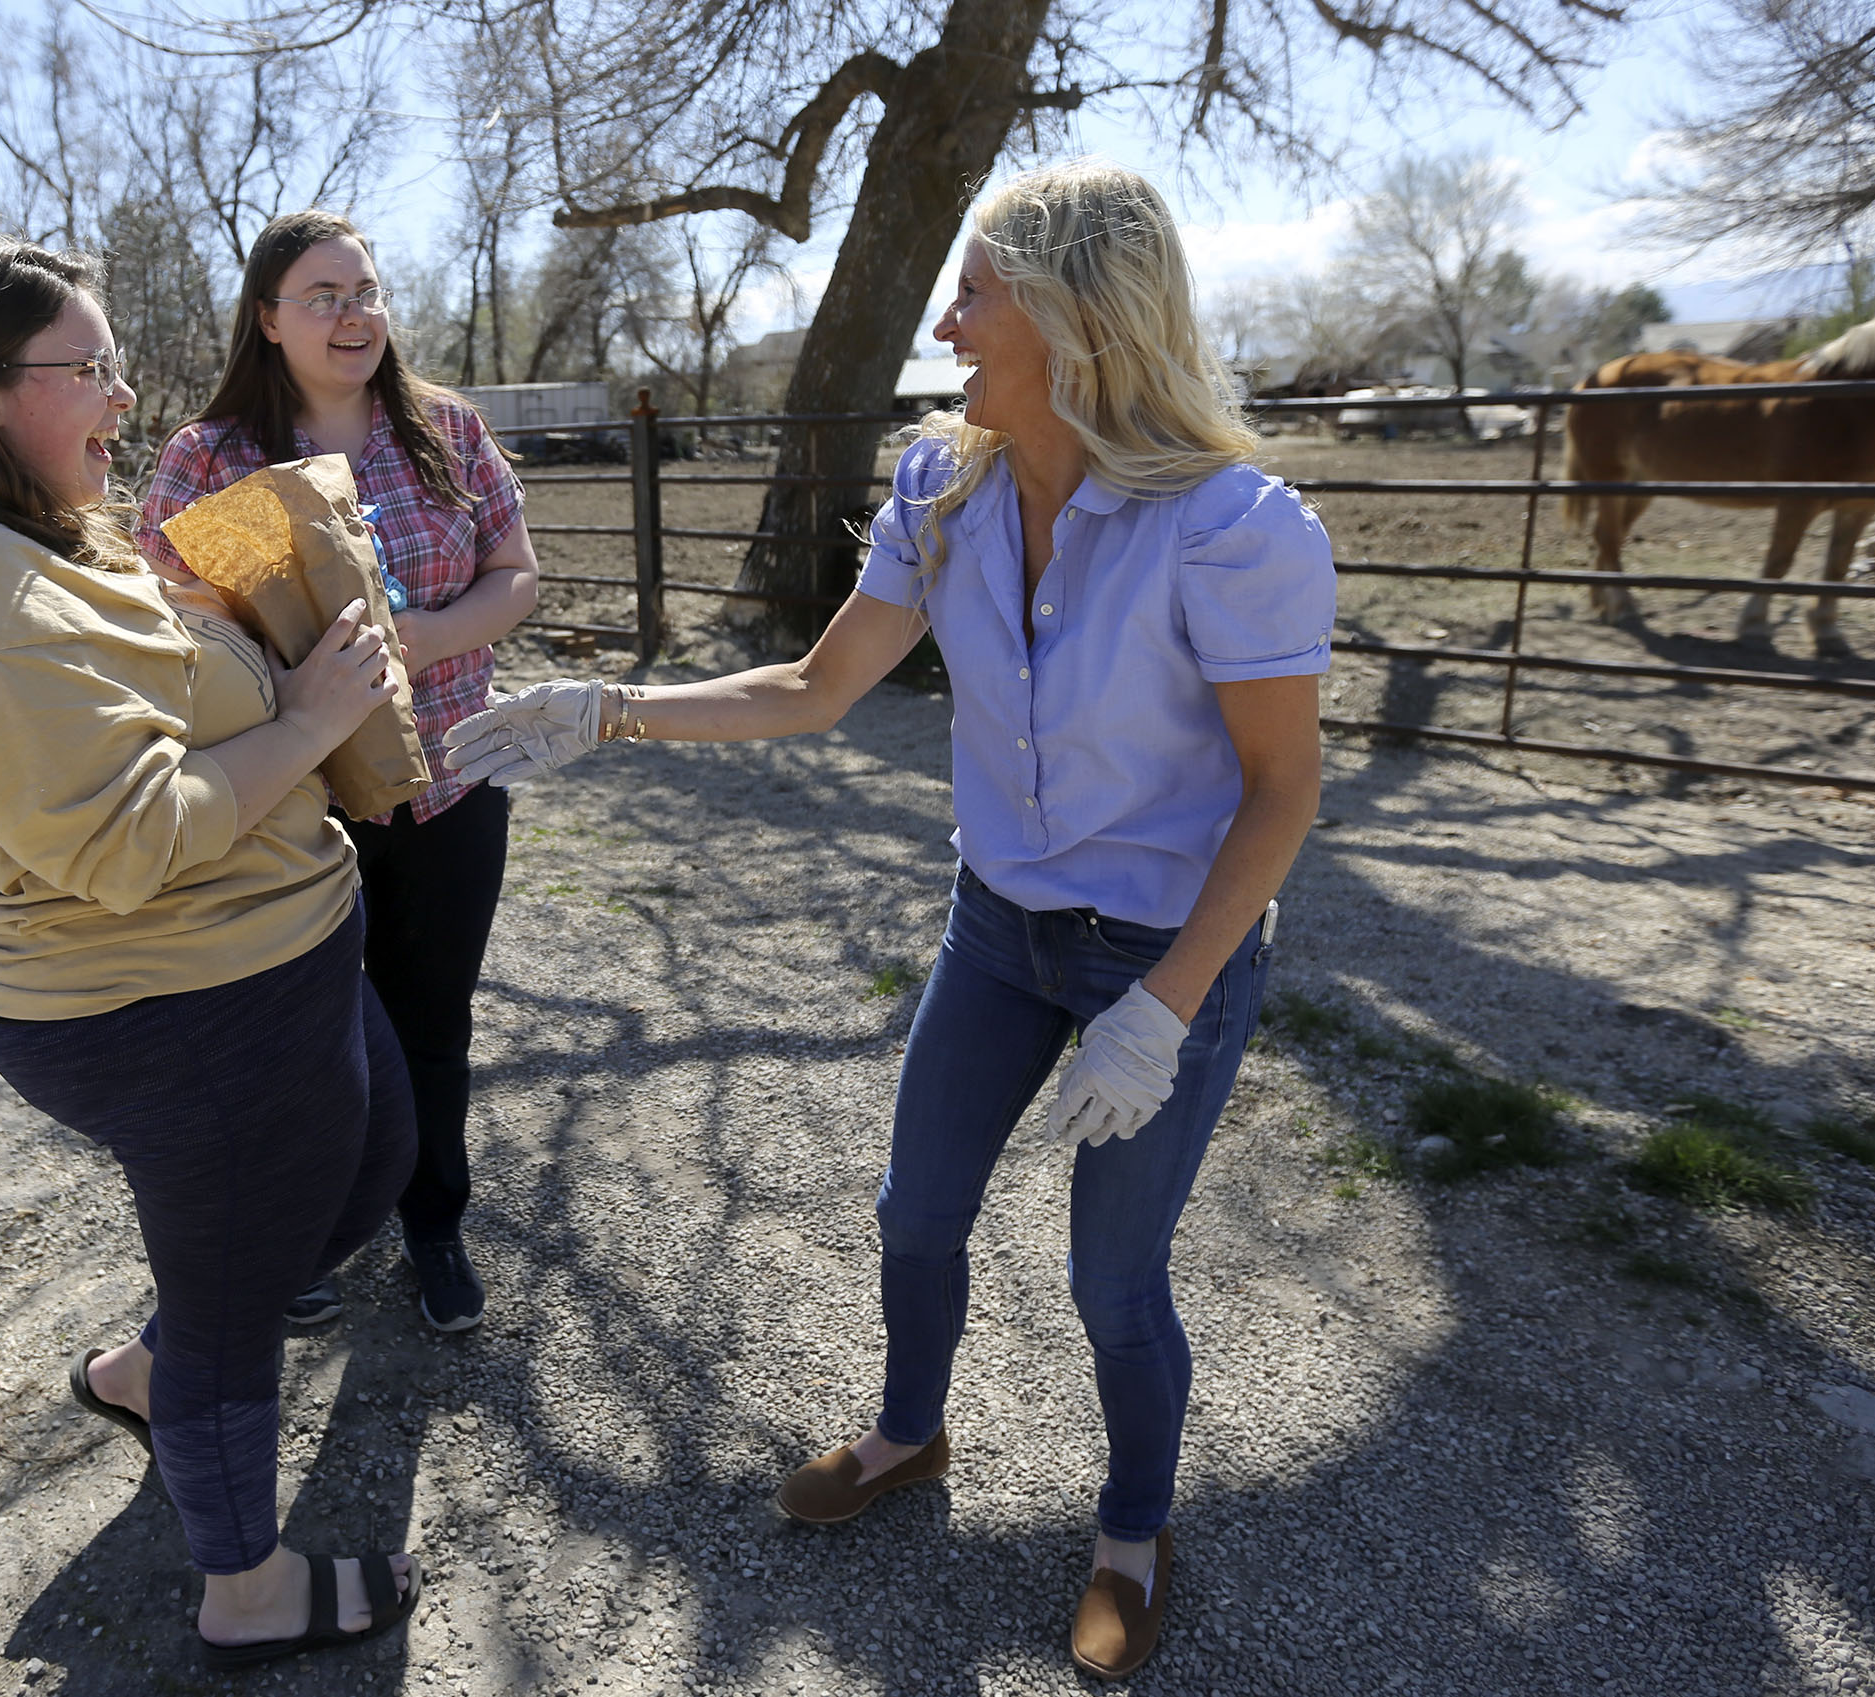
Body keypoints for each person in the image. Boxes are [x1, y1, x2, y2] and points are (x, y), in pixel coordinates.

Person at [443, 159, 1333, 1679]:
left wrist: (1168, 1004)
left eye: (976, 292)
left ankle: (1130, 1530)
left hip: (1160, 952)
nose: (946, 318)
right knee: (917, 1211)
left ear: (1073, 316)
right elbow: (815, 688)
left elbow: (1278, 795)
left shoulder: (1234, 530)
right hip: (999, 926)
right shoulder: (943, 489)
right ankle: (907, 1433)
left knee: (1113, 1283)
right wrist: (608, 711)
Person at [0, 238, 422, 1670]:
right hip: (176, 1006)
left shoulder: (36, 530)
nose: (122, 389)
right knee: (239, 1302)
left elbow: (142, 711)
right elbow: (126, 838)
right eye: (87, 367)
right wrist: (305, 715)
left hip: (276, 960)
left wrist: (246, 643)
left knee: (367, 1165)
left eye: (113, 361)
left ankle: (154, 1365)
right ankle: (248, 1590)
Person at [141, 210, 538, 1335]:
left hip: (452, 778)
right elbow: (164, 627)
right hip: (292, 799)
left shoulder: (445, 432)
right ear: (267, 319)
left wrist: (425, 637)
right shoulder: (205, 458)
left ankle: (435, 1223)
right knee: (300, 1024)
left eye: (365, 291)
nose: (354, 314)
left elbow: (518, 576)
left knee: (433, 1020)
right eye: (322, 295)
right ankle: (307, 1237)